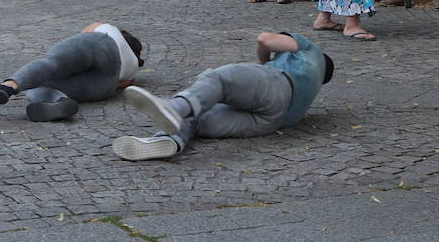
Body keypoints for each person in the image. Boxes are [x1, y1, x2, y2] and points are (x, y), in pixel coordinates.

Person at [112, 32, 332, 160]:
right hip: (272, 121)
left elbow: (265, 39)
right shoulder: (311, 89)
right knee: (197, 115)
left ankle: (174, 107)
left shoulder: (312, 52)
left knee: (219, 79)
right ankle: (170, 140)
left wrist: (263, 62)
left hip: (278, 84)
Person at [0, 22, 142, 122]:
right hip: (107, 84)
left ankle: (7, 87)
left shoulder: (109, 30)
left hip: (100, 45)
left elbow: (85, 32)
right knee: (41, 83)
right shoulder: (132, 71)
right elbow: (123, 85)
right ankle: (59, 101)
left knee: (51, 65)